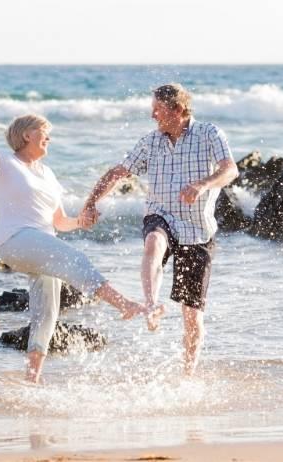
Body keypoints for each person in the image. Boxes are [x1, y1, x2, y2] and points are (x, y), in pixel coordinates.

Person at [0, 105, 156, 384]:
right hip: (15, 240)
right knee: (74, 260)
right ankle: (124, 304)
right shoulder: (6, 162)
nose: (49, 138)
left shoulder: (49, 175)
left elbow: (58, 221)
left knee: (47, 313)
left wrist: (81, 222)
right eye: (45, 132)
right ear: (27, 134)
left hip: (42, 245)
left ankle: (32, 378)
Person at [80, 83, 239, 375]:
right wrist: (91, 202)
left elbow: (230, 170)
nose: (153, 116)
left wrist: (203, 184)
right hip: (161, 214)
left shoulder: (209, 134)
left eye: (158, 110)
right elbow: (119, 172)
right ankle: (151, 304)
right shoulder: (151, 142)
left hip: (198, 230)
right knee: (154, 240)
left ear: (177, 110)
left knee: (192, 317)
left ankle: (188, 374)